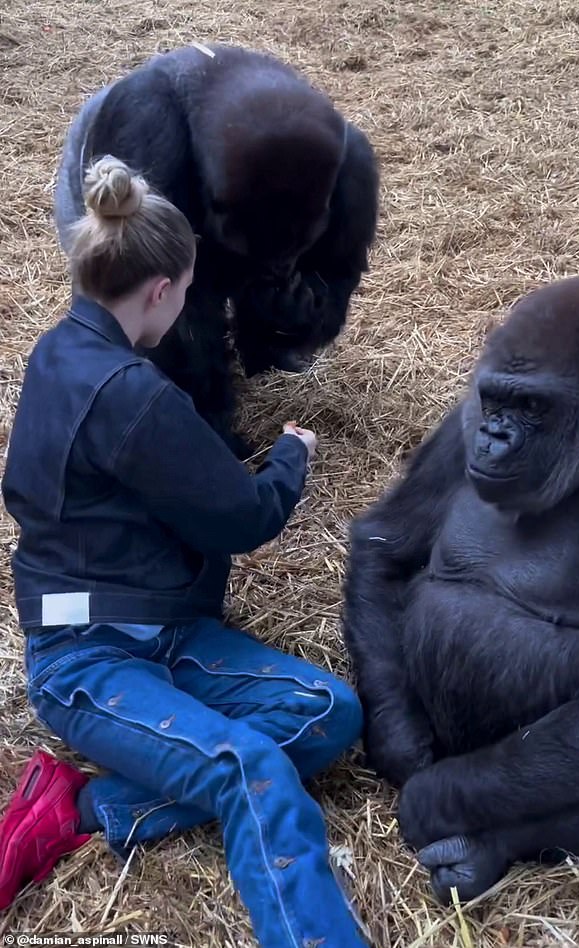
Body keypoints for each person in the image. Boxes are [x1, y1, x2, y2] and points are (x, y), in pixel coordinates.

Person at [0, 157, 367, 947]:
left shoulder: (56, 352)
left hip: (155, 623)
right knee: (248, 770)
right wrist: (291, 456)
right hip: (89, 664)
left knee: (327, 713)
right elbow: (241, 518)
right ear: (162, 290)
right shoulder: (134, 397)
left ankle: (91, 808)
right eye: (190, 288)